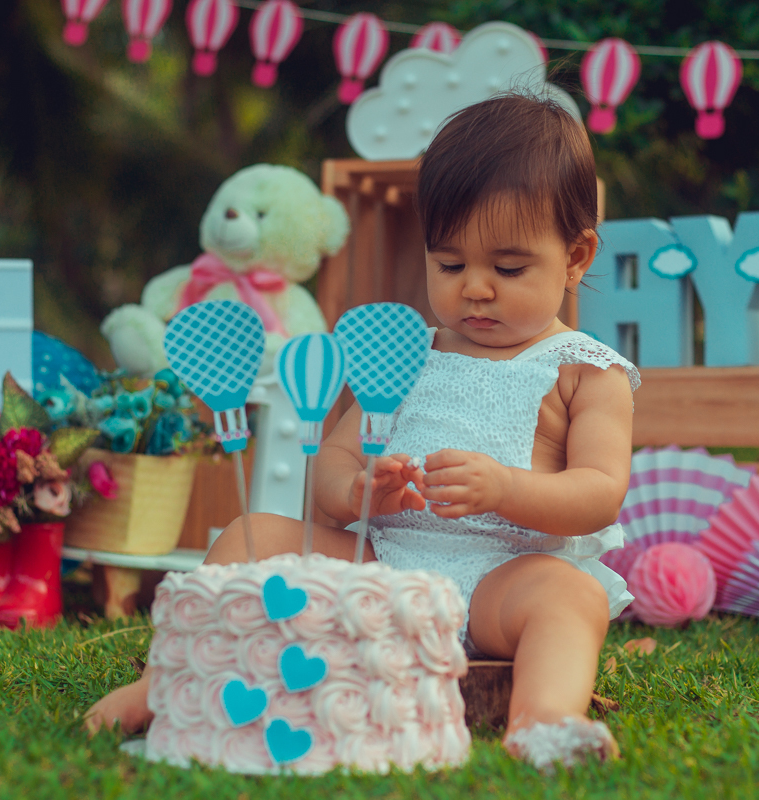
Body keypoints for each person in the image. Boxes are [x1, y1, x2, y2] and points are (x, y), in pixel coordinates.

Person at [86, 92, 639, 770]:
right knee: (247, 534)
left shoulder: (586, 371)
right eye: (451, 263)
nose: (475, 289)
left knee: (571, 595)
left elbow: (599, 492)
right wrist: (358, 489)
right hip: (380, 568)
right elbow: (336, 460)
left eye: (509, 268)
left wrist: (503, 487)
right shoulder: (408, 353)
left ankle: (544, 718)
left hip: (503, 581)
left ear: (576, 257)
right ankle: (170, 681)